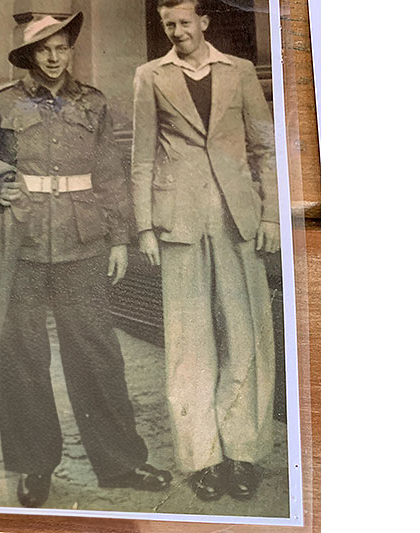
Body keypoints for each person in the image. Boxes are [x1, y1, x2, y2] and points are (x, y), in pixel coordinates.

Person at [0, 12, 171, 508]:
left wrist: (119, 239)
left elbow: (112, 176)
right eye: (44, 50)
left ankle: (121, 461)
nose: (54, 58)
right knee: (23, 361)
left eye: (62, 48)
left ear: (71, 50)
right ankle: (35, 466)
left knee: (97, 355)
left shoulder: (93, 103)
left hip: (84, 243)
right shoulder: (3, 103)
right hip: (21, 245)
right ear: (30, 55)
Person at [130, 0, 280, 501]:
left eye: (185, 23)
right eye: (168, 24)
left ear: (205, 23)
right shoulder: (150, 76)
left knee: (246, 336)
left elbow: (265, 147)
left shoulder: (238, 72)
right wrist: (145, 227)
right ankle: (203, 459)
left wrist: (271, 215)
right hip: (179, 224)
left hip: (238, 220)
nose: (177, 32)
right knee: (189, 344)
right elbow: (142, 155)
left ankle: (243, 454)